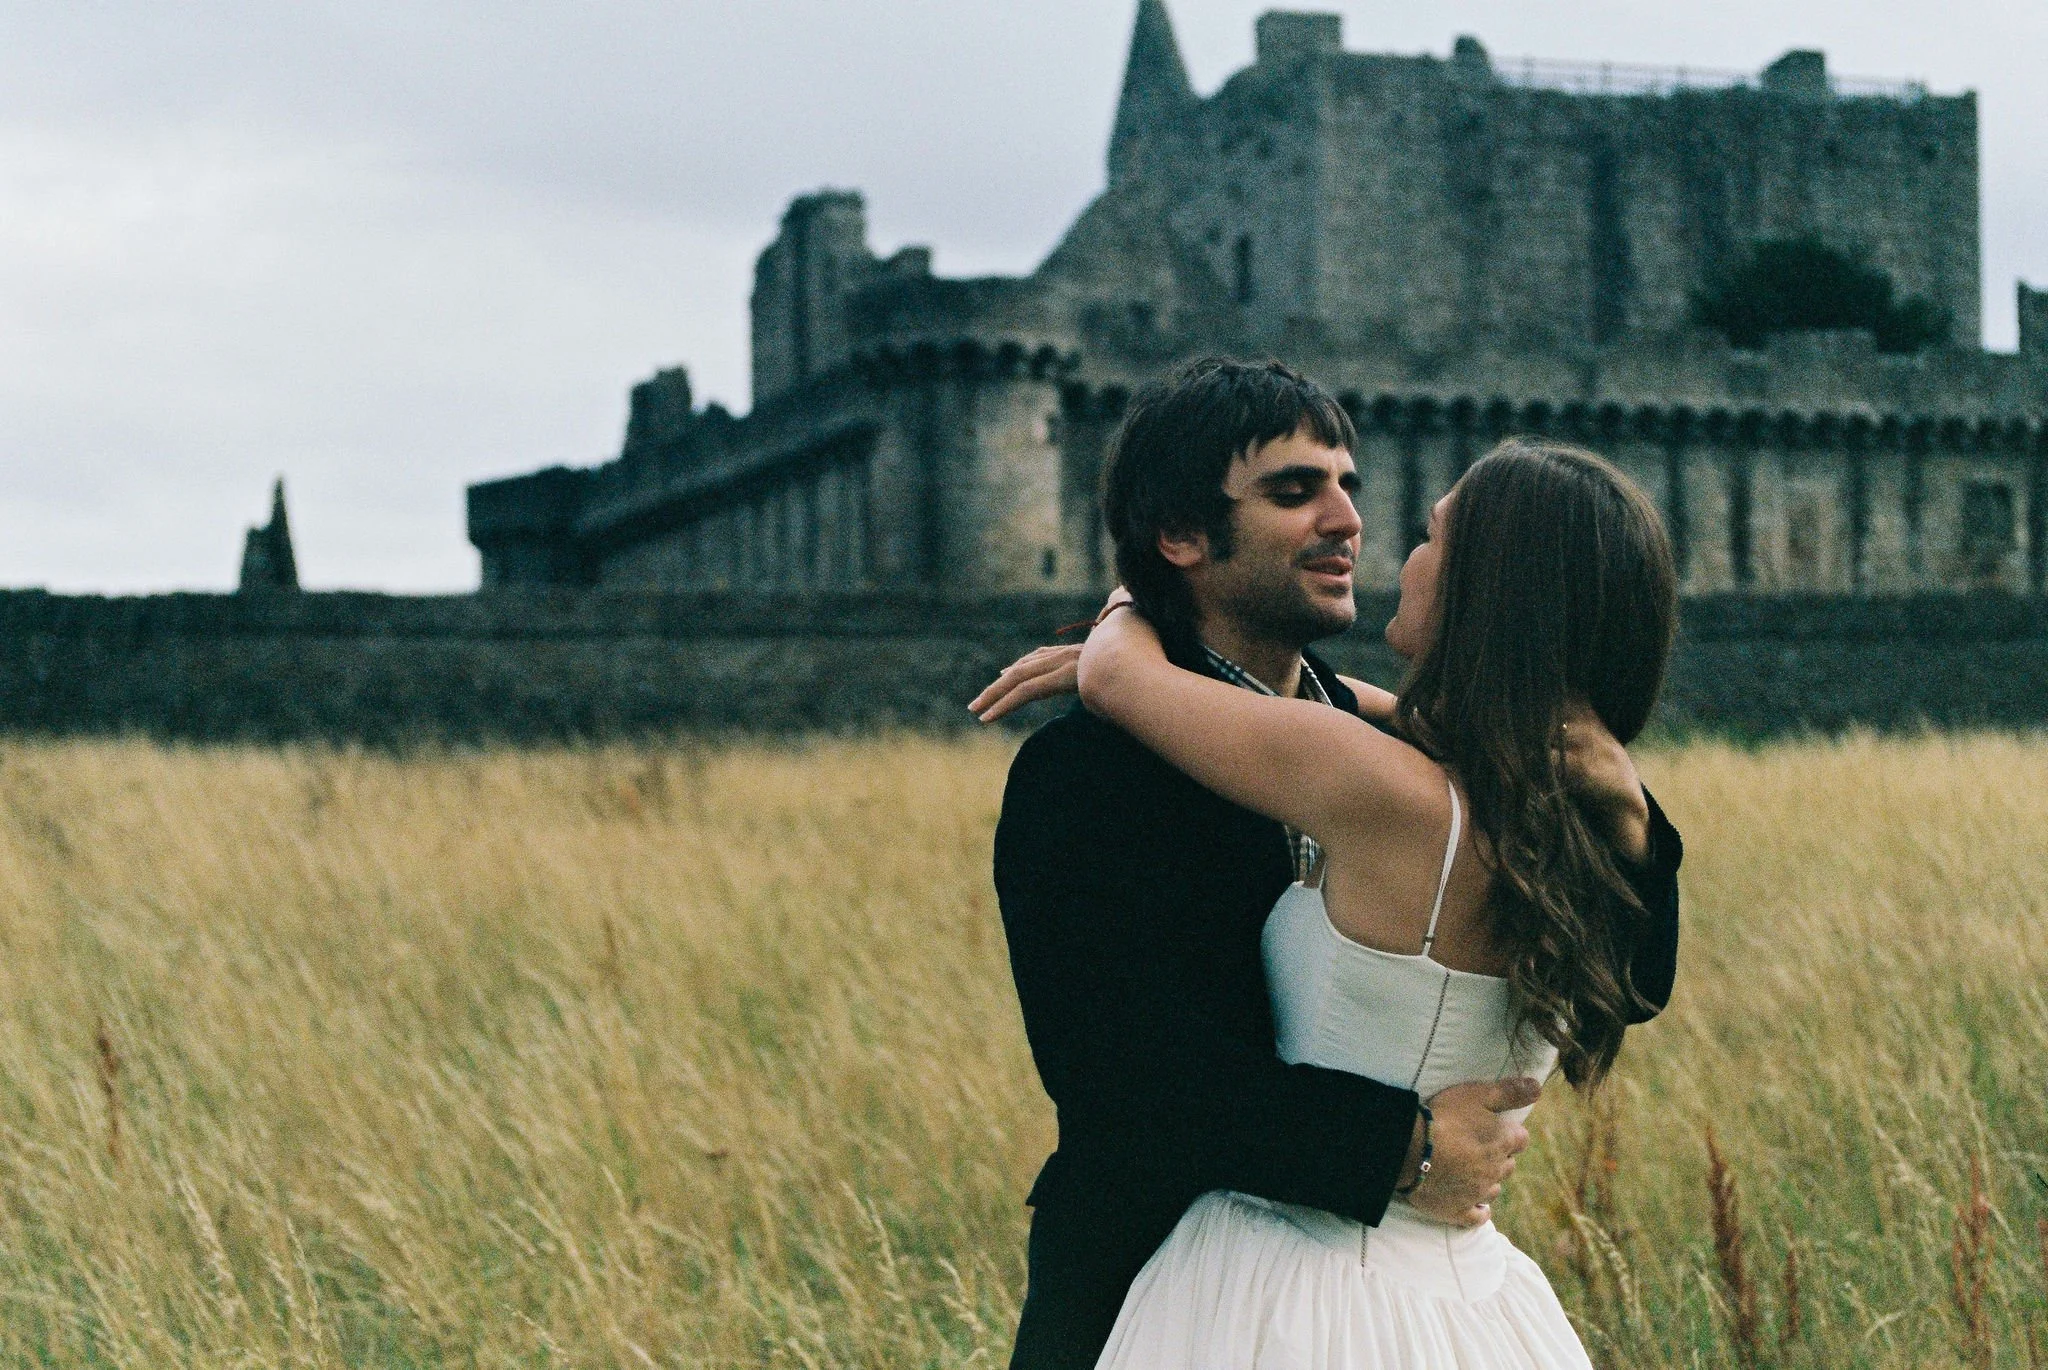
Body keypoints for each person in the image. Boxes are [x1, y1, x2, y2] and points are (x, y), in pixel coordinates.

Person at [972, 358, 1682, 1370]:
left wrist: (1630, 817)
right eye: (1295, 489)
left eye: (1348, 483)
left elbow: (1633, 975)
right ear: (1178, 534)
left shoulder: (1372, 744)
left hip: (1358, 1299)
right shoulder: (1086, 770)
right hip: (1139, 1294)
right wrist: (1403, 1148)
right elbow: (1122, 1079)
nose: (1349, 517)